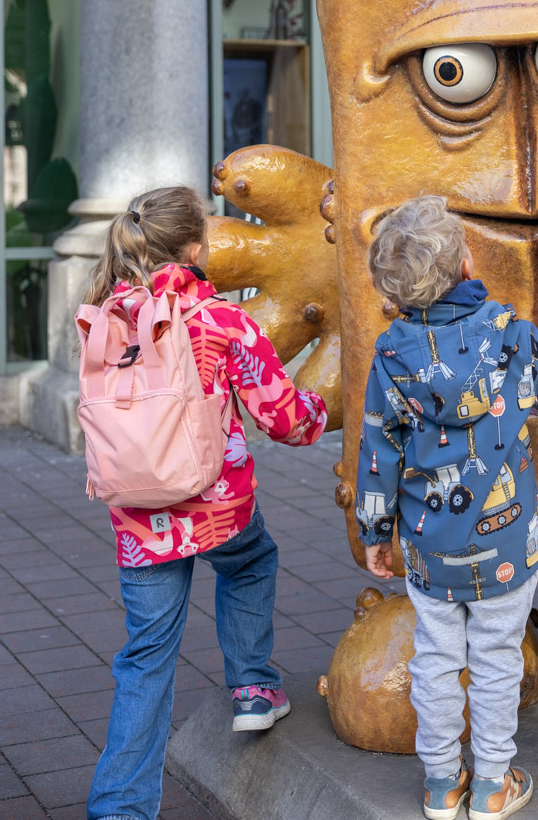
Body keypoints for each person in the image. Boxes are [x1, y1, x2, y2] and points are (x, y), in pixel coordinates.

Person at [356, 195, 538, 820]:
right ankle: (492, 785)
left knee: (436, 658)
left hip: (428, 545)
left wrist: (375, 530)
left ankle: (440, 785)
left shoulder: (391, 357)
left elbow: (379, 447)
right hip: (504, 543)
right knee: (498, 657)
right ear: (469, 262)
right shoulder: (508, 336)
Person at [82, 185, 327, 820]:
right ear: (196, 247)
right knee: (250, 561)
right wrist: (322, 410)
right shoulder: (222, 320)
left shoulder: (106, 318)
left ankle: (119, 808)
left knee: (145, 656)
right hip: (216, 507)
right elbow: (283, 417)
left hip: (140, 519)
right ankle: (252, 686)